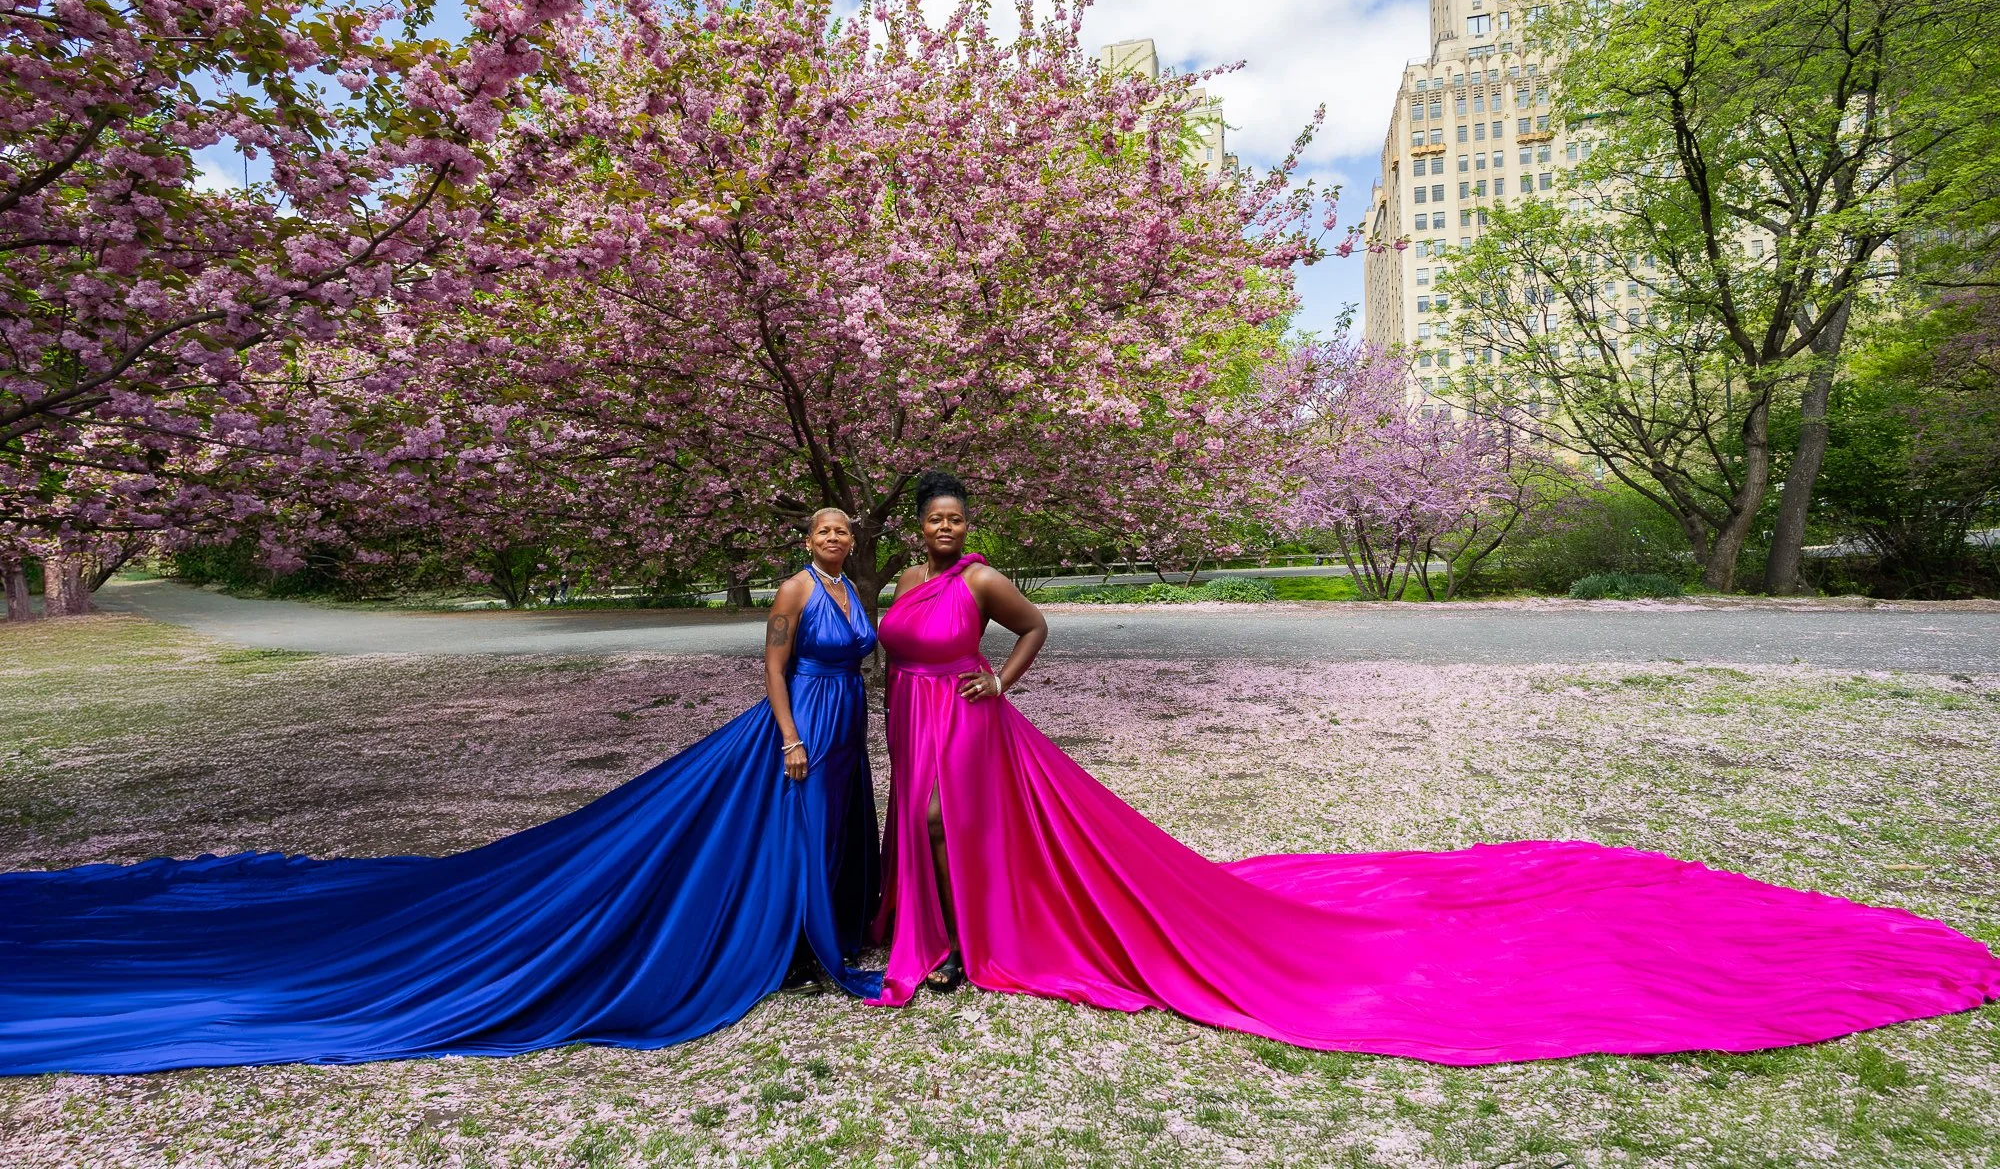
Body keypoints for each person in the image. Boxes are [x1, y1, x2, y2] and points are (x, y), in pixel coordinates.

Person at [867, 469, 2000, 1062]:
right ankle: (940, 928)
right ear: (917, 527)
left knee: (947, 825)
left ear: (969, 525)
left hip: (969, 720)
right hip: (911, 716)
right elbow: (883, 648)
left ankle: (968, 943)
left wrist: (1000, 683)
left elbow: (1037, 630)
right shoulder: (899, 585)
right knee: (913, 823)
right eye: (935, 520)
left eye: (957, 518)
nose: (946, 530)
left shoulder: (982, 580)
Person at [0, 509, 882, 1075]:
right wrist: (791, 733)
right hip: (802, 719)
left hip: (847, 719)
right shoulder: (794, 589)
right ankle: (797, 940)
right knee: (792, 826)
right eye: (824, 530)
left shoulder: (849, 588)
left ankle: (834, 921)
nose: (835, 539)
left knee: (838, 823)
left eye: (843, 530)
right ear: (805, 540)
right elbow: (771, 667)